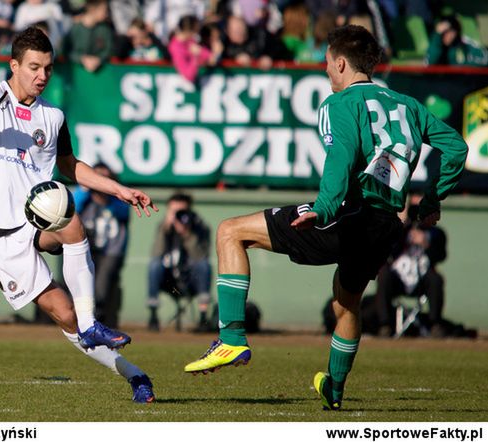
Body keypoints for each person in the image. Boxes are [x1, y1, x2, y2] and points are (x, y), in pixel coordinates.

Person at [184, 25, 468, 411]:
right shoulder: (409, 105)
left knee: (230, 232)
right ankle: (334, 388)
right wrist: (433, 199)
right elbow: (456, 147)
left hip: (347, 212)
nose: (326, 73)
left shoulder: (340, 104)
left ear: (340, 63)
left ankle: (231, 338)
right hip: (386, 225)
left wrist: (324, 206)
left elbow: (342, 156)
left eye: (328, 66)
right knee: (346, 304)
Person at [0, 26, 158, 403]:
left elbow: (71, 166)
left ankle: (91, 322)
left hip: (34, 216)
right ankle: (134, 374)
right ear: (13, 65)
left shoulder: (53, 116)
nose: (42, 76)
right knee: (64, 315)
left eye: (48, 68)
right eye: (34, 67)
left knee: (71, 221)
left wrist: (120, 189)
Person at [375, 194, 448, 338]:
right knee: (383, 274)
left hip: (422, 278)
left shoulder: (436, 233)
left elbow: (441, 256)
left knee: (436, 279)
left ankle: (435, 324)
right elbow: (389, 250)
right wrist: (404, 228)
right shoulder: (400, 230)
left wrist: (426, 242)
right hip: (398, 278)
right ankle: (384, 325)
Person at [72, 162, 130, 329]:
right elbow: (72, 207)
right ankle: (84, 320)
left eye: (105, 178)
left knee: (101, 287)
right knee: (81, 285)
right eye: (97, 178)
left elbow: (123, 212)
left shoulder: (117, 201)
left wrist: (109, 194)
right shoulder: (85, 199)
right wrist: (85, 187)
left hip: (110, 250)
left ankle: (97, 320)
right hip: (87, 248)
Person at [147, 192, 212, 332]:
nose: (179, 215)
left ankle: (203, 317)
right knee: (154, 265)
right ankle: (153, 316)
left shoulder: (200, 227)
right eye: (175, 211)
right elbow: (156, 254)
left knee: (204, 266)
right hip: (170, 280)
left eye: (182, 211)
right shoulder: (163, 227)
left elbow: (200, 257)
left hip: (191, 279)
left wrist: (187, 234)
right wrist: (166, 228)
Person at [168, 15, 222, 83]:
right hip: (181, 87)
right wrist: (195, 57)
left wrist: (217, 53)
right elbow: (189, 75)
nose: (198, 31)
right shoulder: (175, 47)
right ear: (189, 30)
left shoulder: (191, 42)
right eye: (196, 29)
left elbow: (211, 59)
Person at [65, 0, 113, 72]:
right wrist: (81, 59)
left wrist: (99, 59)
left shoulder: (105, 29)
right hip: (75, 72)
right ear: (93, 9)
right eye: (105, 10)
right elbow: (65, 51)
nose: (107, 14)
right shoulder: (74, 28)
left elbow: (108, 50)